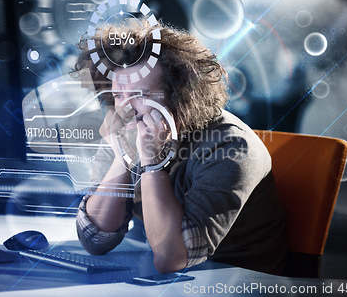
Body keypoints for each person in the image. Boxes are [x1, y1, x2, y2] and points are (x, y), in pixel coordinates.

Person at [73, 19, 287, 275]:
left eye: (141, 95)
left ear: (179, 94)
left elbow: (170, 258)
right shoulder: (126, 129)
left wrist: (152, 162)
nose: (126, 110)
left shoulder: (231, 147)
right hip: (165, 281)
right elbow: (95, 239)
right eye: (119, 95)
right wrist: (124, 156)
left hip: (236, 282)